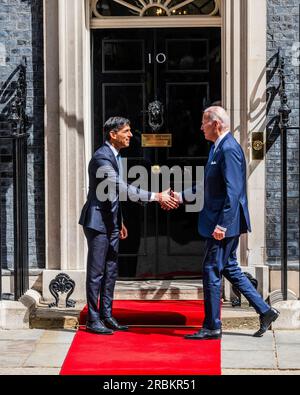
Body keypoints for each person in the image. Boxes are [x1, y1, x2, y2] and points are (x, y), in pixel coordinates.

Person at [171, 106, 279, 340]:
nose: (200, 127)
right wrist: (180, 196)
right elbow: (208, 186)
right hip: (221, 221)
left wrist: (222, 225)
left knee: (211, 269)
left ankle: (212, 325)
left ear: (216, 124)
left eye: (203, 122)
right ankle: (266, 310)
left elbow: (233, 191)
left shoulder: (228, 149)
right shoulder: (216, 148)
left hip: (222, 223)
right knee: (229, 267)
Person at [79, 116, 179, 335]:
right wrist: (157, 196)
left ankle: (107, 315)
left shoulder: (115, 155)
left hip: (111, 221)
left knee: (111, 270)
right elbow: (121, 188)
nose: (131, 135)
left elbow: (112, 194)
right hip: (97, 222)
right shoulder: (101, 158)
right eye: (126, 131)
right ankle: (93, 319)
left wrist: (120, 220)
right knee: (97, 272)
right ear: (112, 134)